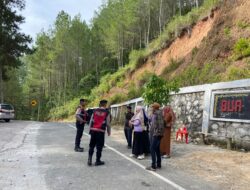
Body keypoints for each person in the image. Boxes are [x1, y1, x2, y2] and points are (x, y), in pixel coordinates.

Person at [88, 100, 111, 166]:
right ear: (105, 105)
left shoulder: (94, 111)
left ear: (100, 104)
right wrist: (109, 132)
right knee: (99, 146)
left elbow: (91, 121)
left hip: (93, 130)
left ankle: (89, 160)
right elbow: (108, 123)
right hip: (100, 131)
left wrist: (90, 129)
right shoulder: (107, 112)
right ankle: (97, 161)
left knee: (91, 145)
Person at [146, 103, 165, 171]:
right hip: (157, 133)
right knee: (157, 149)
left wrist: (156, 133)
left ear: (155, 108)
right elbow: (150, 119)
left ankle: (153, 166)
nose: (151, 108)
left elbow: (160, 125)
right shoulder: (157, 113)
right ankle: (159, 164)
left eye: (152, 107)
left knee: (152, 149)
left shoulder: (157, 114)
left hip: (157, 134)